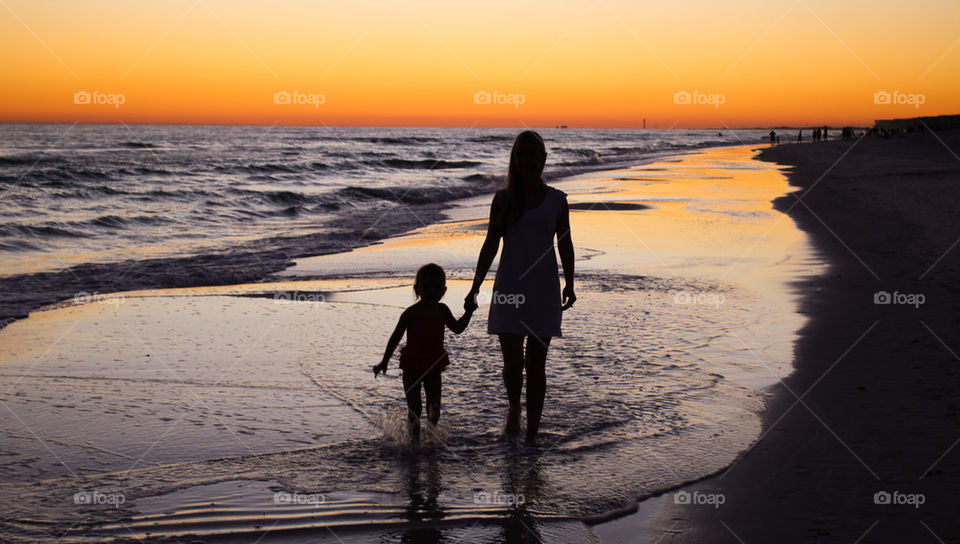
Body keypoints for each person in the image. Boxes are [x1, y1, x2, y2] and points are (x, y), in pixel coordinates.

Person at [465, 130, 576, 444]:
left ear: (543, 160)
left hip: (543, 290)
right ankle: (514, 407)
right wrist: (474, 287)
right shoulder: (503, 199)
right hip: (509, 288)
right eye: (520, 155)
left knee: (537, 365)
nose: (526, 160)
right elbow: (490, 245)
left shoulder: (557, 200)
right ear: (514, 160)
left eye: (532, 155)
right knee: (513, 365)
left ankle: (532, 433)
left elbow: (565, 245)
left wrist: (570, 282)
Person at [373, 263, 475, 443]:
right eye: (426, 287)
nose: (431, 292)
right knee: (415, 408)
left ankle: (430, 440)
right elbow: (395, 337)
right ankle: (413, 444)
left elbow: (458, 328)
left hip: (434, 365)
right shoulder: (410, 313)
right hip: (411, 366)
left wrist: (468, 312)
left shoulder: (442, 310)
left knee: (434, 409)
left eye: (436, 288)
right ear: (417, 289)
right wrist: (384, 361)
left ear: (443, 291)